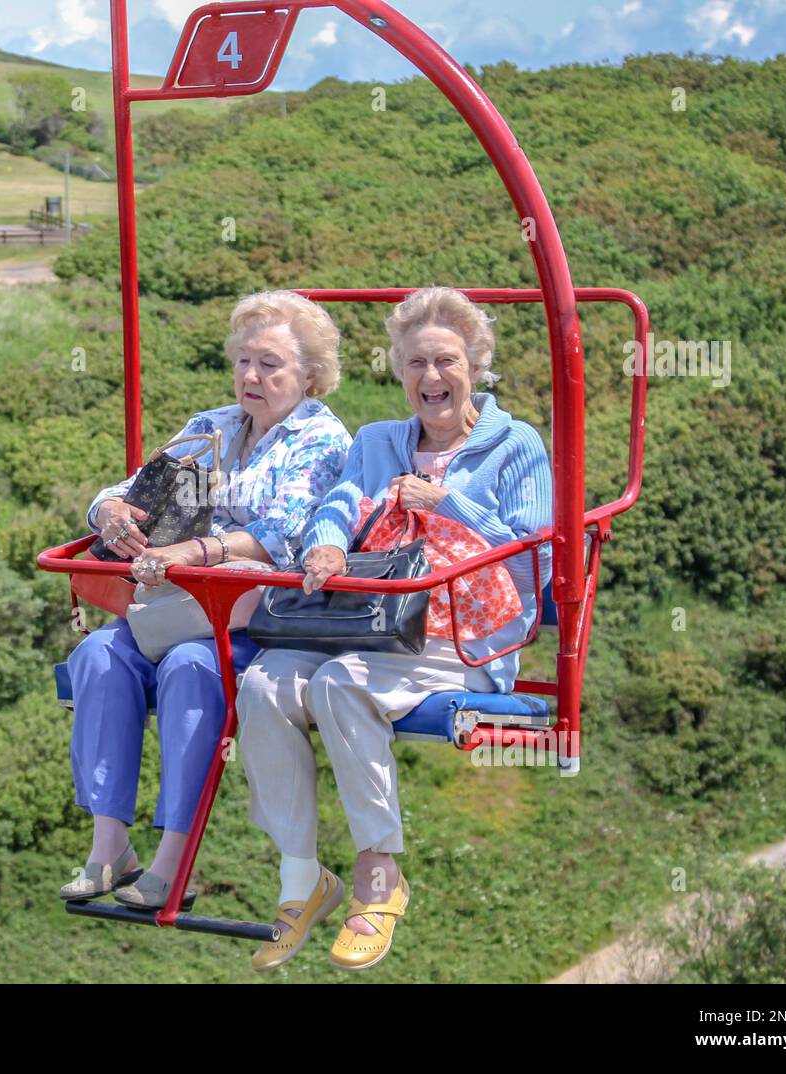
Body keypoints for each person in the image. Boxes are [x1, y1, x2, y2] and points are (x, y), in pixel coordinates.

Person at [237, 286, 553, 970]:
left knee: (341, 684)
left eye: (444, 362)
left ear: (476, 365)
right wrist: (326, 542)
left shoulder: (514, 445)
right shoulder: (381, 441)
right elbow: (340, 503)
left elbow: (538, 554)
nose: (430, 379)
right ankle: (301, 878)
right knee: (262, 683)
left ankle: (378, 878)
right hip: (373, 624)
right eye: (414, 364)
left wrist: (451, 506)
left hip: (461, 637)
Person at [61, 291, 352, 909]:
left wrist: (199, 553)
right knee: (96, 658)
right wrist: (110, 510)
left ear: (309, 375)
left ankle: (176, 860)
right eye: (244, 361)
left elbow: (286, 533)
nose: (252, 376)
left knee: (192, 670)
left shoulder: (319, 439)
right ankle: (109, 846)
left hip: (250, 614)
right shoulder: (212, 429)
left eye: (270, 364)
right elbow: (137, 487)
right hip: (174, 604)